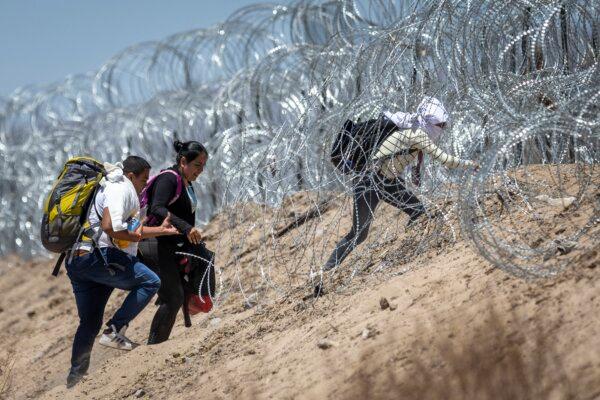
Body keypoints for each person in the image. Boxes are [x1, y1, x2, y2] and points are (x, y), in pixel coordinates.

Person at [324, 97, 478, 271]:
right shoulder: (418, 134)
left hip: (385, 182)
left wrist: (415, 169)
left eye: (443, 126)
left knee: (417, 211)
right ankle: (327, 270)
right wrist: (471, 164)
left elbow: (408, 153)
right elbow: (445, 160)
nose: (442, 130)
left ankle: (414, 249)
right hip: (371, 181)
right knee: (359, 234)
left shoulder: (413, 129)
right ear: (429, 122)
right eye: (440, 125)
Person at [65, 156, 178, 388]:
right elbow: (110, 226)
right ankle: (114, 330)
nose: (145, 185)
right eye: (144, 179)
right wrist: (133, 236)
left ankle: (74, 380)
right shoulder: (121, 188)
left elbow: (133, 230)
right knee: (150, 281)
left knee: (89, 322)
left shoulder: (122, 194)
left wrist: (161, 230)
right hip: (98, 257)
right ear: (131, 175)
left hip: (78, 261)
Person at [139, 140, 209, 345]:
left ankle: (155, 344)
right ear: (183, 161)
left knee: (178, 295)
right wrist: (186, 228)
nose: (201, 170)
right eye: (197, 165)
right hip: (153, 244)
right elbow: (157, 208)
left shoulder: (187, 183)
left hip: (170, 247)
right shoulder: (169, 179)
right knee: (173, 297)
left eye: (203, 166)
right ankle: (153, 348)